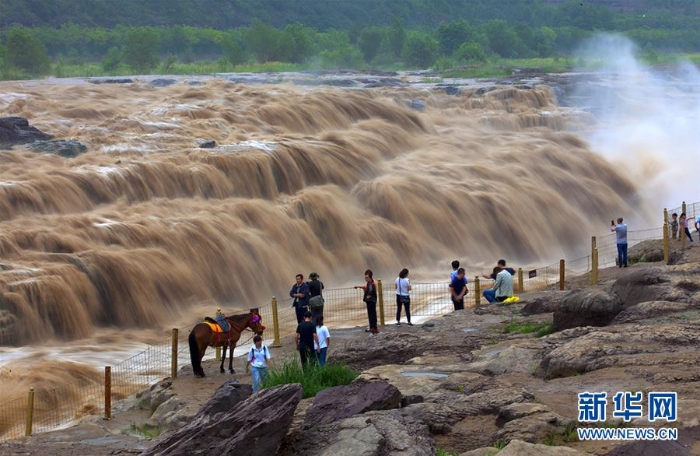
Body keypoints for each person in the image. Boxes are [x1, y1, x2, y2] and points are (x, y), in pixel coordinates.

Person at [354, 269, 379, 335]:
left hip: (370, 301)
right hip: (372, 301)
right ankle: (374, 328)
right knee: (372, 315)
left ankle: (373, 329)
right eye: (365, 277)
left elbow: (370, 291)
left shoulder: (371, 284)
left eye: (367, 277)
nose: (365, 278)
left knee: (371, 315)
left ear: (370, 277)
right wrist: (359, 287)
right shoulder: (370, 283)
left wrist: (368, 296)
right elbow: (366, 287)